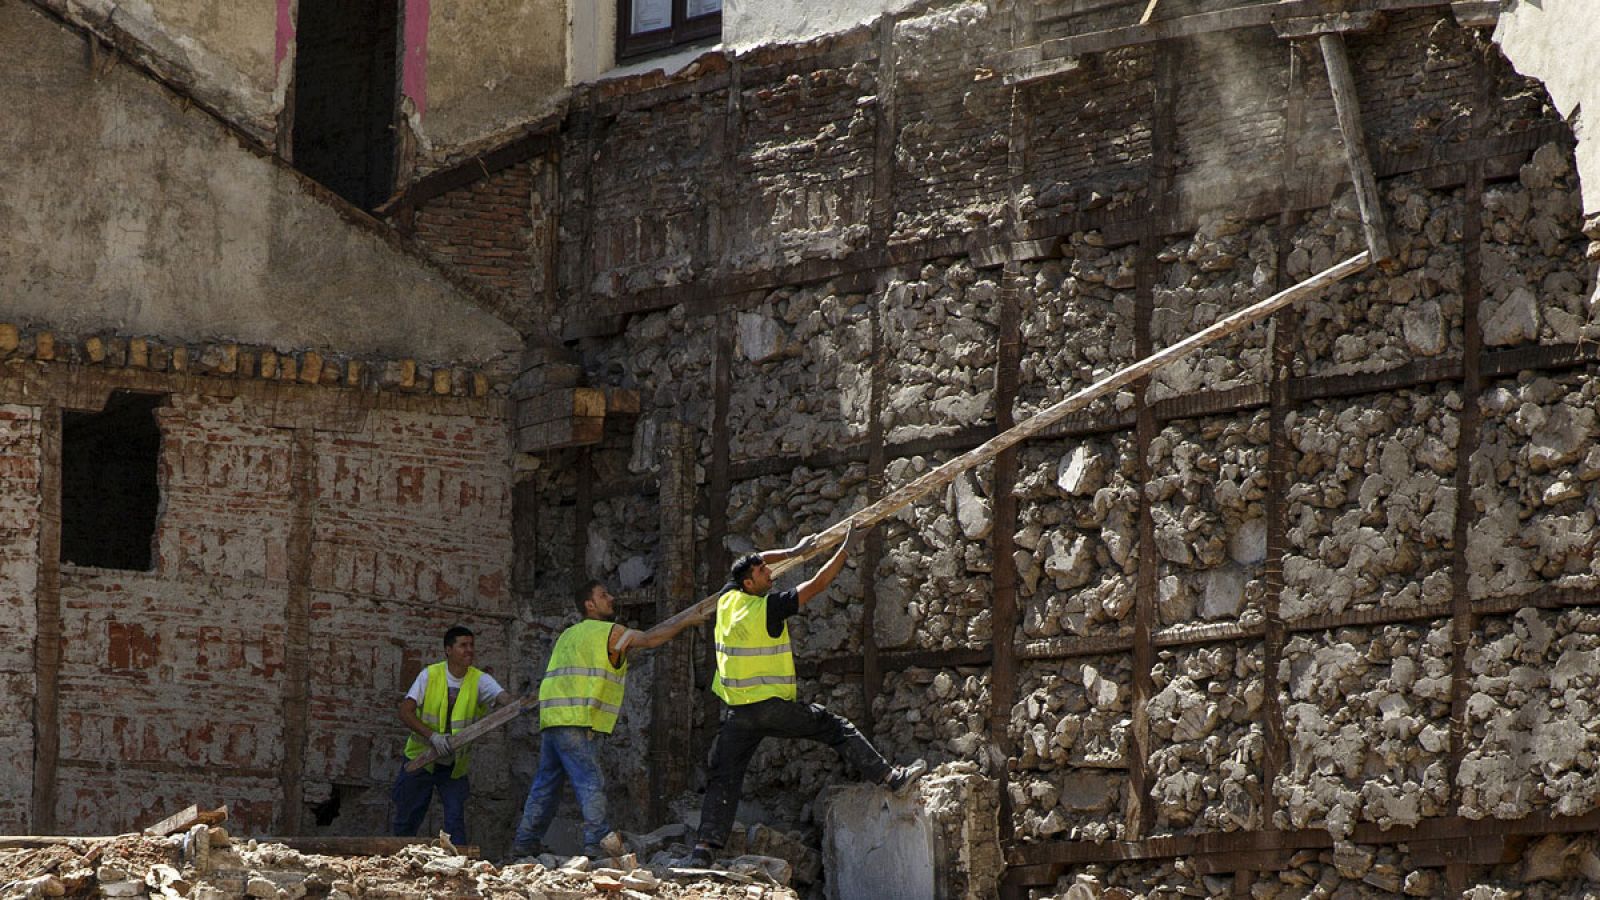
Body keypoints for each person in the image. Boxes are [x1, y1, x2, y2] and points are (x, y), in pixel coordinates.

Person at [684, 525, 926, 867]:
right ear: (750, 584)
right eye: (763, 573)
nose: (770, 574)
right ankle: (891, 778)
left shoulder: (727, 600)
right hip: (771, 708)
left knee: (724, 776)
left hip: (738, 712)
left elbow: (753, 561)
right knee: (834, 727)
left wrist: (793, 551)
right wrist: (844, 549)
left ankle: (704, 849)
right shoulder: (767, 608)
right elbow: (817, 585)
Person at [509, 580, 708, 859]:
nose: (611, 598)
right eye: (604, 595)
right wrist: (688, 620)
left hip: (553, 719)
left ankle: (525, 842)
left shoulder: (568, 635)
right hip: (578, 719)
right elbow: (650, 640)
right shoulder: (609, 633)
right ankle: (596, 842)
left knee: (545, 785)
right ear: (590, 605)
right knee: (589, 780)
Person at [392, 625, 512, 846]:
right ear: (448, 649)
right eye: (463, 645)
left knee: (455, 820)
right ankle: (396, 861)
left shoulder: (479, 680)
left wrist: (516, 703)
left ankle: (458, 867)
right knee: (407, 818)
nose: (469, 650)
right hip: (421, 760)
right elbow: (405, 712)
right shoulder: (430, 675)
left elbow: (504, 698)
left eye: (471, 645)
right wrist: (432, 736)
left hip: (454, 766)